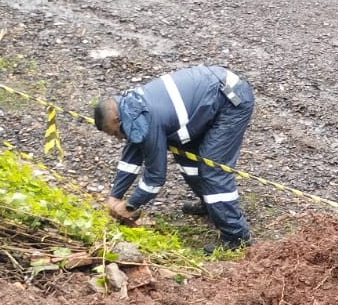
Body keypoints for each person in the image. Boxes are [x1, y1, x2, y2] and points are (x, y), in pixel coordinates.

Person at [93, 65, 254, 249]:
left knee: (213, 169)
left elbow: (155, 178)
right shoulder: (131, 110)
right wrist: (115, 196)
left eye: (114, 133)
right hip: (207, 101)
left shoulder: (147, 119)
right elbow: (130, 157)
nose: (117, 137)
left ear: (116, 120)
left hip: (230, 99)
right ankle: (212, 205)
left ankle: (236, 238)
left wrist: (130, 206)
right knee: (188, 160)